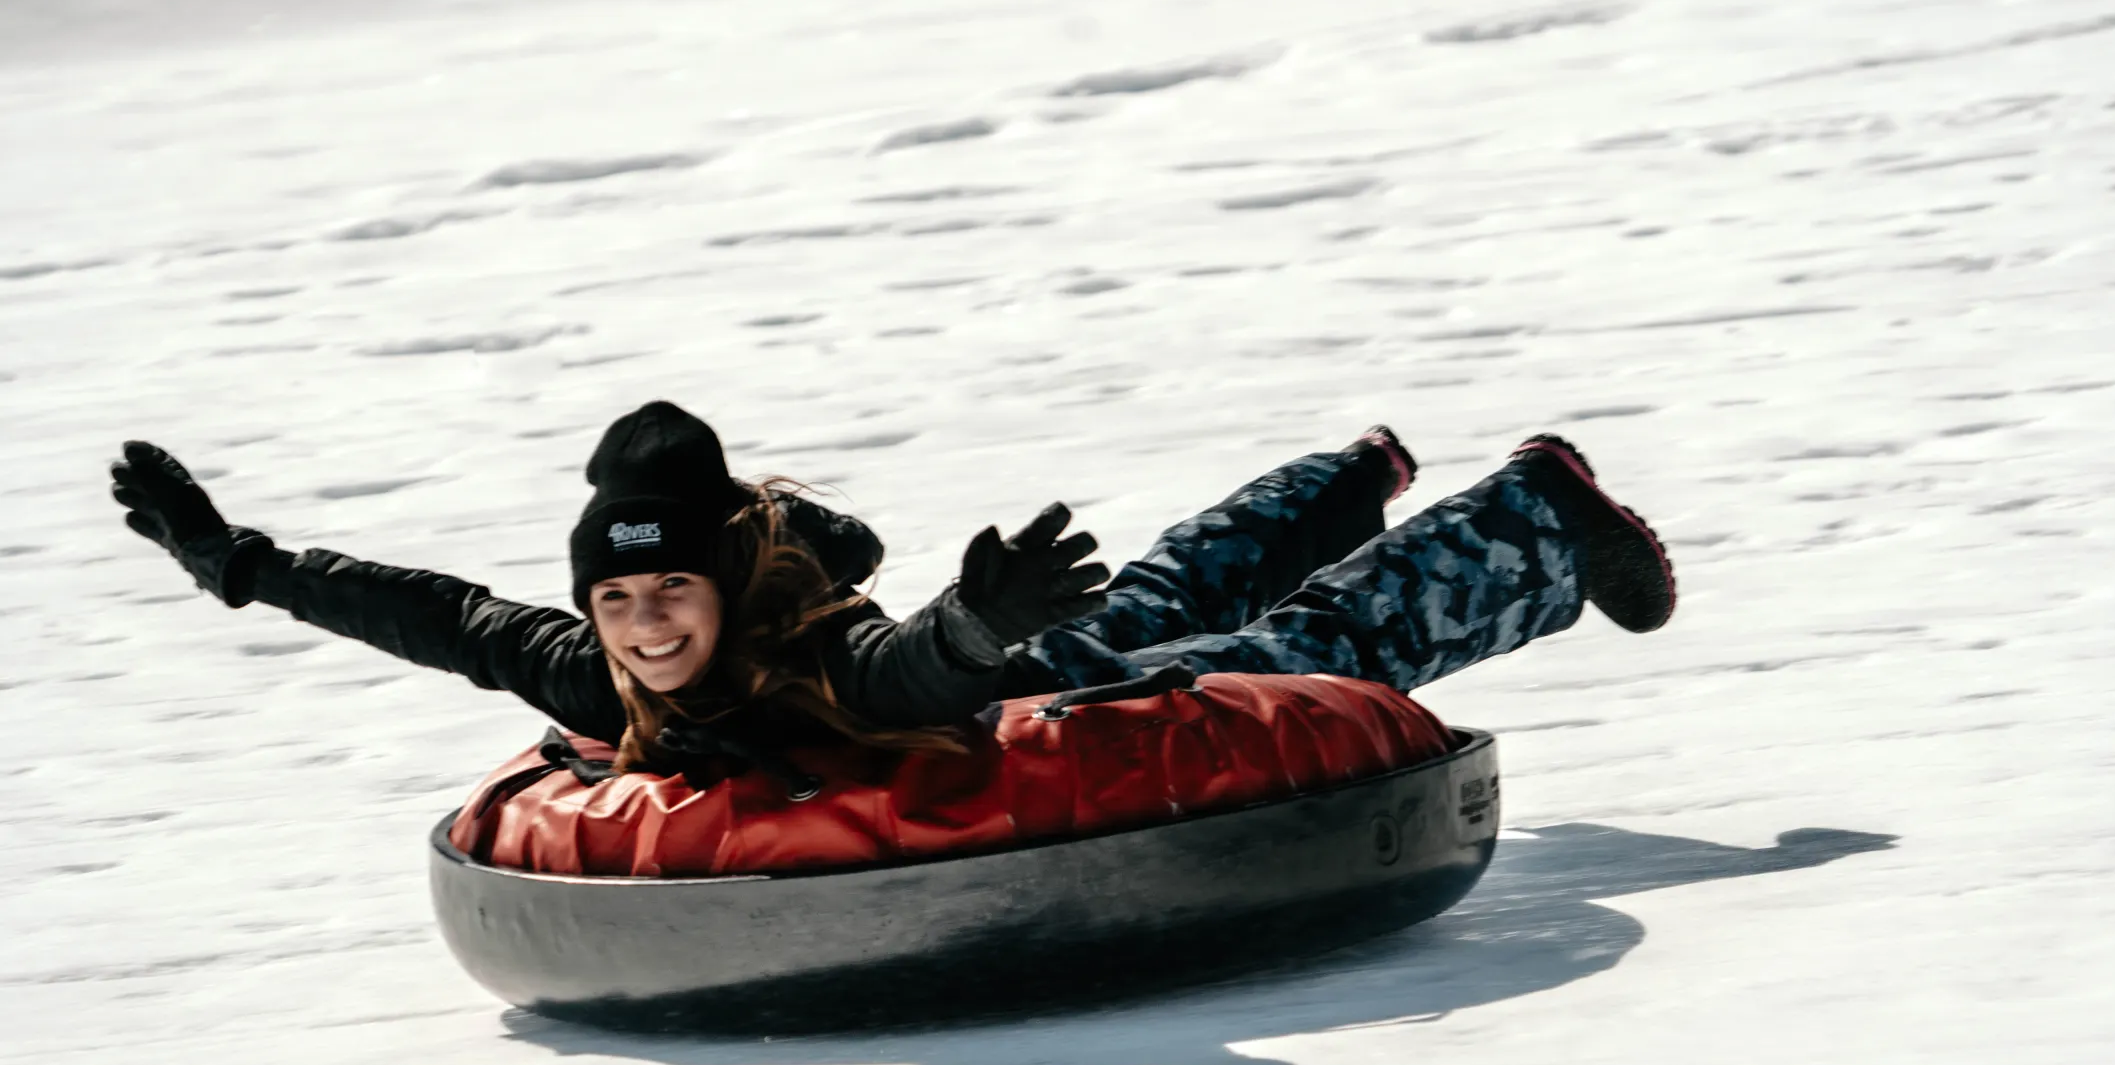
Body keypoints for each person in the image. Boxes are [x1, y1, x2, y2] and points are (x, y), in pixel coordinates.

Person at [108, 401, 1673, 779]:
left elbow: (901, 686)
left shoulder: (804, 651)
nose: (645, 632)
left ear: (725, 590)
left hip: (1009, 686)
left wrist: (981, 627)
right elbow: (441, 616)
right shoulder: (598, 681)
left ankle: (1534, 513)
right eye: (617, 612)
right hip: (1001, 651)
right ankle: (1356, 471)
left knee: (1282, 642)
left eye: (668, 602)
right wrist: (244, 567)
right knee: (1166, 586)